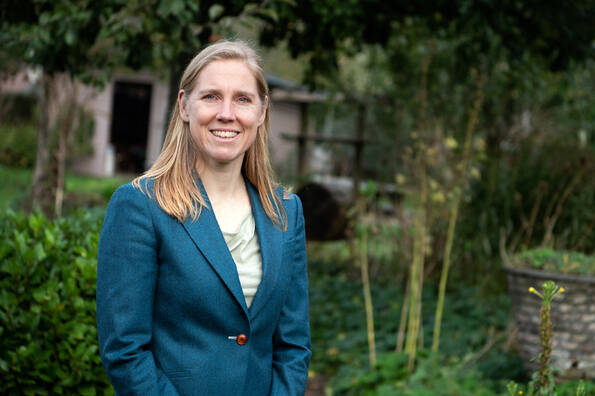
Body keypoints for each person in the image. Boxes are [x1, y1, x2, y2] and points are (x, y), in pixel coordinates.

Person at [96, 40, 311, 395]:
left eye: (242, 99)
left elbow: (293, 346)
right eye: (211, 96)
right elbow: (125, 351)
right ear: (184, 106)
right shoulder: (140, 206)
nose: (226, 113)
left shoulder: (286, 212)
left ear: (262, 111)